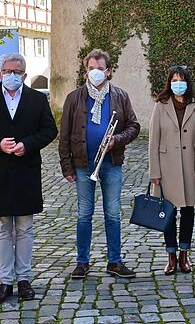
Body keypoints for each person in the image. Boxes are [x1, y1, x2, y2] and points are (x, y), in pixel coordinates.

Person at [0, 53, 58, 304]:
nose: (11, 75)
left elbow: (50, 130)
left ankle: (24, 279)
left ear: (24, 75)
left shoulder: (37, 99)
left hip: (26, 170)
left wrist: (27, 145)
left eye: (17, 72)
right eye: (7, 71)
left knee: (25, 228)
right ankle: (5, 280)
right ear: (0, 73)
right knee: (2, 228)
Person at [59, 49, 141, 279]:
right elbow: (64, 135)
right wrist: (67, 167)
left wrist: (117, 140)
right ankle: (82, 262)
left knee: (113, 214)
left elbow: (134, 126)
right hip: (84, 165)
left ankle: (114, 261)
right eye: (91, 68)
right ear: (86, 70)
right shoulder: (74, 97)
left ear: (109, 71)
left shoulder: (120, 95)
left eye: (100, 68)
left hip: (111, 163)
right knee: (84, 214)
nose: (95, 72)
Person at [148, 65, 195, 275]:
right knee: (168, 213)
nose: (177, 84)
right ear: (169, 83)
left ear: (187, 82)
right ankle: (171, 255)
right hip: (167, 166)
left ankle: (184, 254)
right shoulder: (160, 106)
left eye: (181, 80)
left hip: (189, 165)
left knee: (188, 211)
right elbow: (153, 140)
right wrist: (154, 172)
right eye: (174, 80)